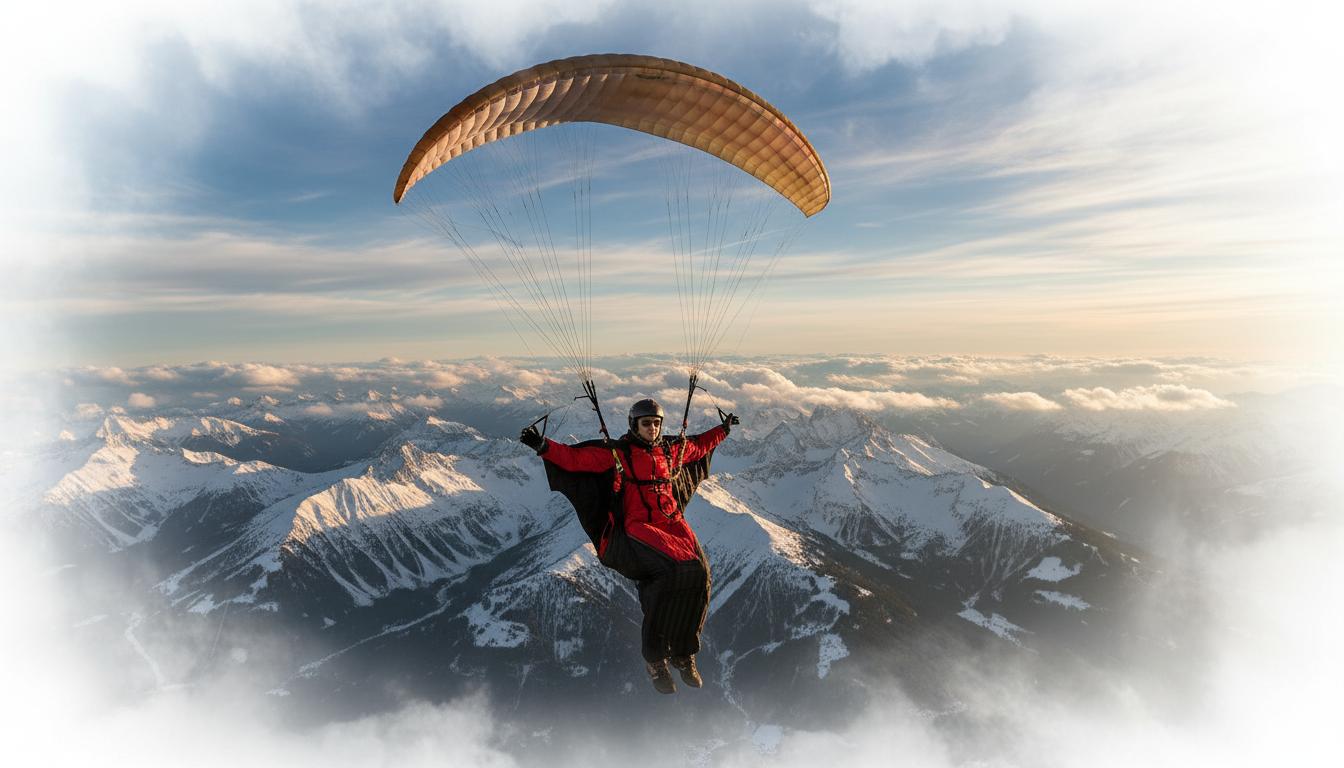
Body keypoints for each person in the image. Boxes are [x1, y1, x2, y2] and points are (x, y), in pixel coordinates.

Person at [520, 398, 739, 694]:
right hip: (640, 526)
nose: (652, 428)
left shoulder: (671, 451)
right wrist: (543, 446)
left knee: (701, 575)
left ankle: (684, 653)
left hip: (672, 521)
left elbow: (700, 445)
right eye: (646, 423)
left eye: (657, 423)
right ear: (634, 425)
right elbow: (576, 460)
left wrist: (724, 429)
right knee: (672, 573)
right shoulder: (618, 454)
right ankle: (655, 659)